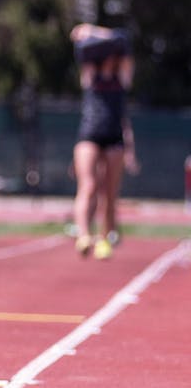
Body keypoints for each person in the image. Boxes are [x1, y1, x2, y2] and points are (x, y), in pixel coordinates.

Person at [70, 23, 138, 260]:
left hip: (114, 135)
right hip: (89, 133)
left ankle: (104, 237)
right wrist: (88, 30)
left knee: (109, 193)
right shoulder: (90, 73)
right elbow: (77, 37)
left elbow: (125, 39)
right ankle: (83, 235)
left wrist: (97, 31)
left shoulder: (122, 75)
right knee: (87, 186)